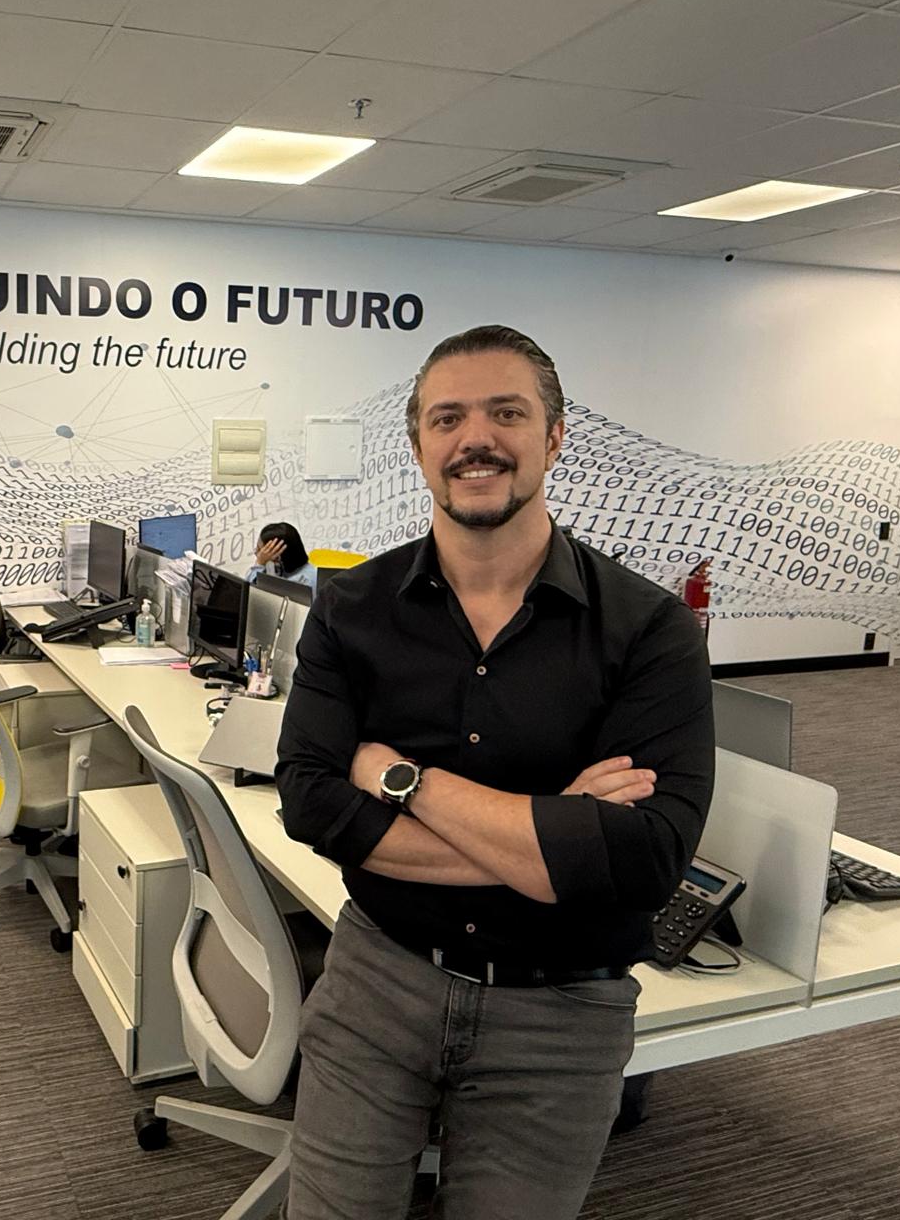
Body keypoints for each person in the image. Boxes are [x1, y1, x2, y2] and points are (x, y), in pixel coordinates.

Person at [275, 324, 715, 1219]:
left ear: (553, 438)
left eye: (505, 413)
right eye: (448, 419)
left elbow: (642, 861)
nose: (474, 438)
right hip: (377, 980)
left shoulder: (649, 629)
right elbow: (311, 803)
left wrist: (403, 781)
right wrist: (549, 835)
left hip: (562, 1014)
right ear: (418, 447)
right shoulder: (351, 609)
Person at [246, 521, 319, 597]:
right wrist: (260, 564)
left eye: (260, 550)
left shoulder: (303, 582)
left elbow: (249, 594)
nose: (256, 553)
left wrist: (259, 564)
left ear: (277, 556)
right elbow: (245, 587)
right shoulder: (274, 566)